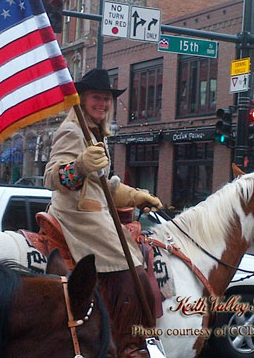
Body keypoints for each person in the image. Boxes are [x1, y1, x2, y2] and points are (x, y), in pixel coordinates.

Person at [44, 68, 162, 358]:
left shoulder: (97, 132)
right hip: (77, 215)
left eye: (107, 98)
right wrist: (80, 166)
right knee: (130, 271)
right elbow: (52, 177)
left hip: (94, 210)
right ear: (82, 98)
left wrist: (135, 196)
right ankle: (127, 345)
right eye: (97, 97)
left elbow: (102, 186)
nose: (103, 104)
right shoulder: (73, 130)